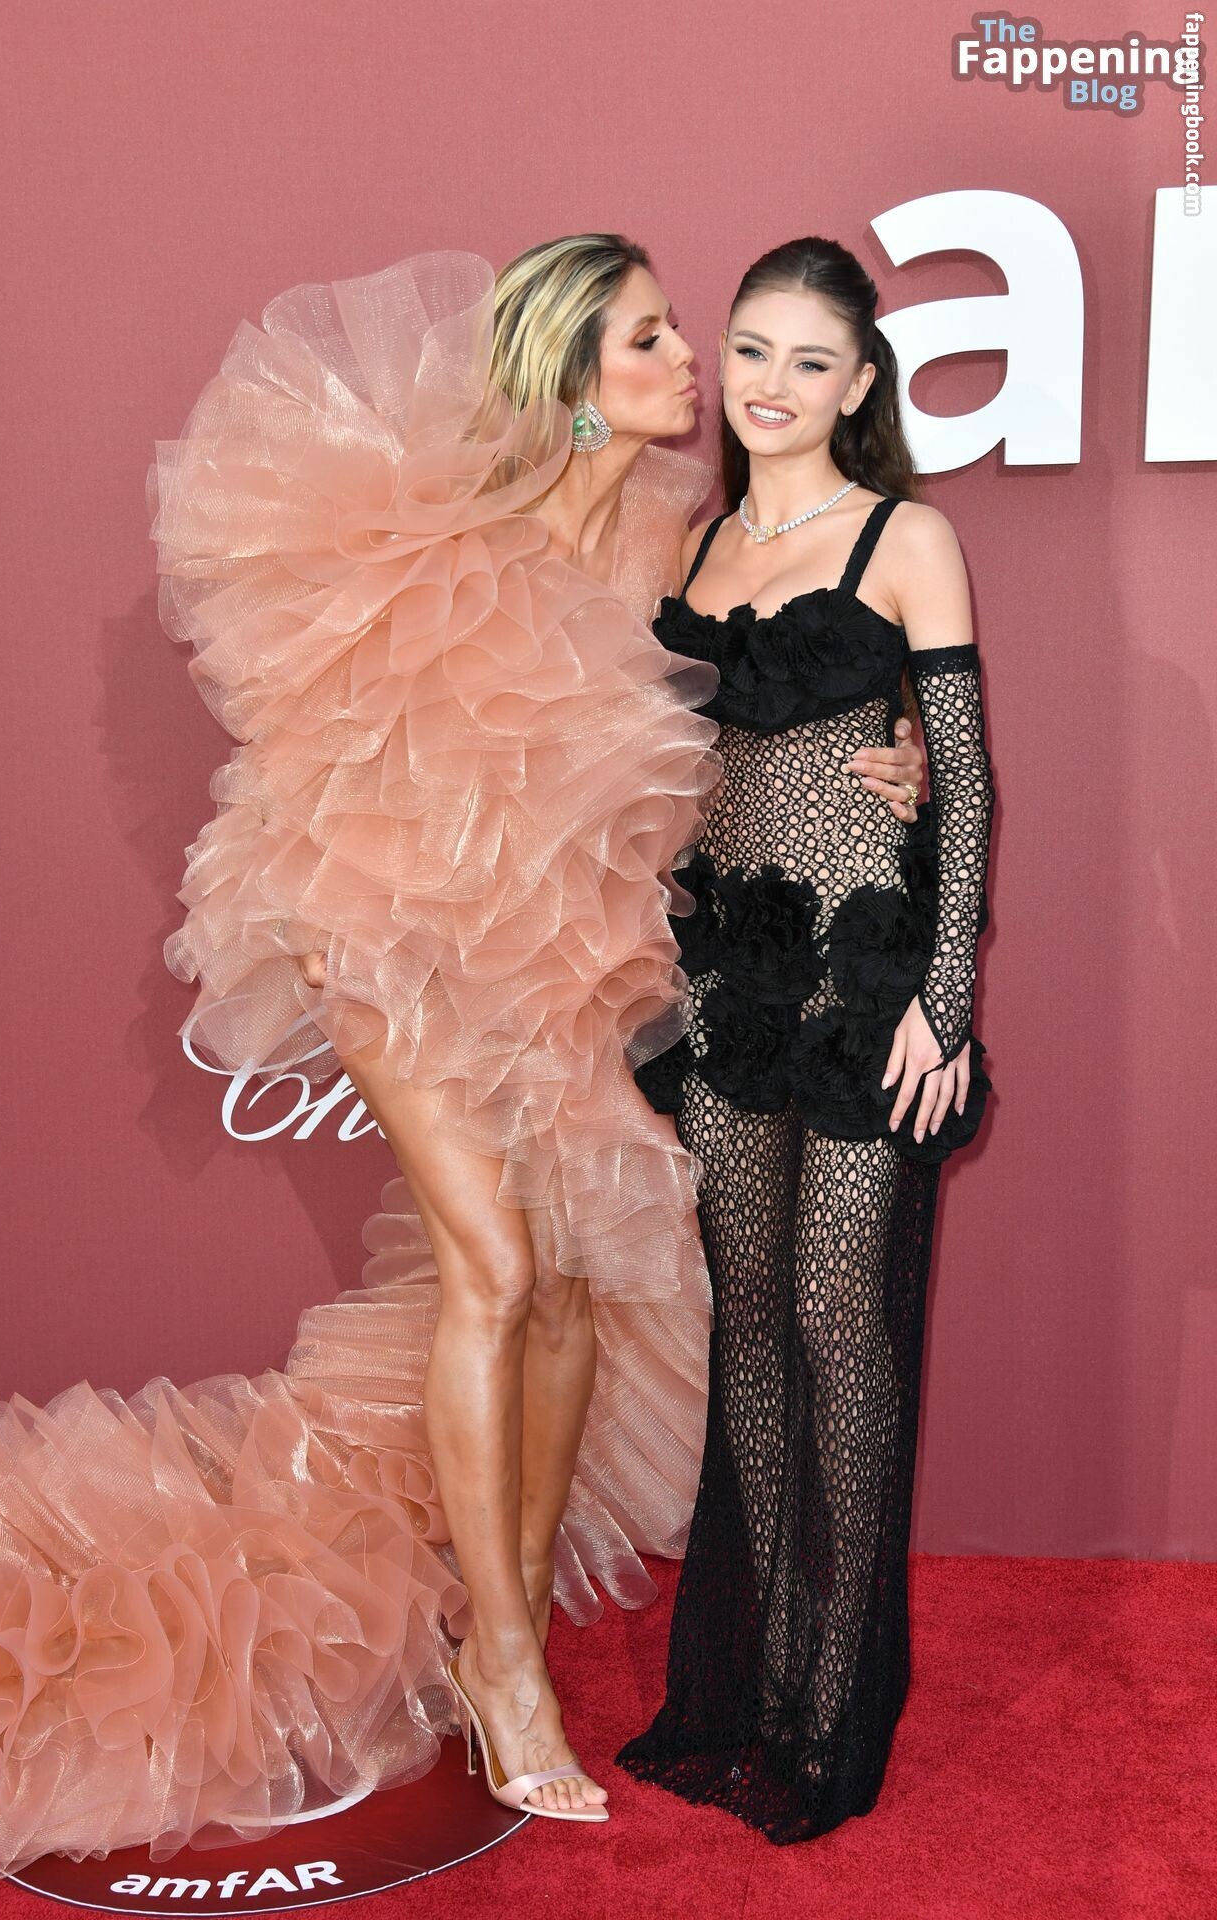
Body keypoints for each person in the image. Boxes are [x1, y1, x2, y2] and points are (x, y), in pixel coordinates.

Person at [0, 239, 925, 1872]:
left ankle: (496, 1620)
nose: (690, 362)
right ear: (573, 378)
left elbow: (774, 707)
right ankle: (515, 1678)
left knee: (569, 1287)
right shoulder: (454, 530)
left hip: (556, 967)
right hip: (390, 943)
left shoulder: (680, 540)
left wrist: (894, 758)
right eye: (649, 338)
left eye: (684, 335)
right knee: (497, 1266)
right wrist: (351, 932)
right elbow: (315, 752)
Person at [616, 236, 996, 1843]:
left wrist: (946, 1005)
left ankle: (840, 1695)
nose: (773, 386)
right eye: (753, 351)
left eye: (811, 361)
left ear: (859, 385)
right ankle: (765, 1678)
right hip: (724, 988)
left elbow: (964, 781)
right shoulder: (690, 547)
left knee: (843, 1314)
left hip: (864, 989)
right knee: (752, 1328)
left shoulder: (910, 538)